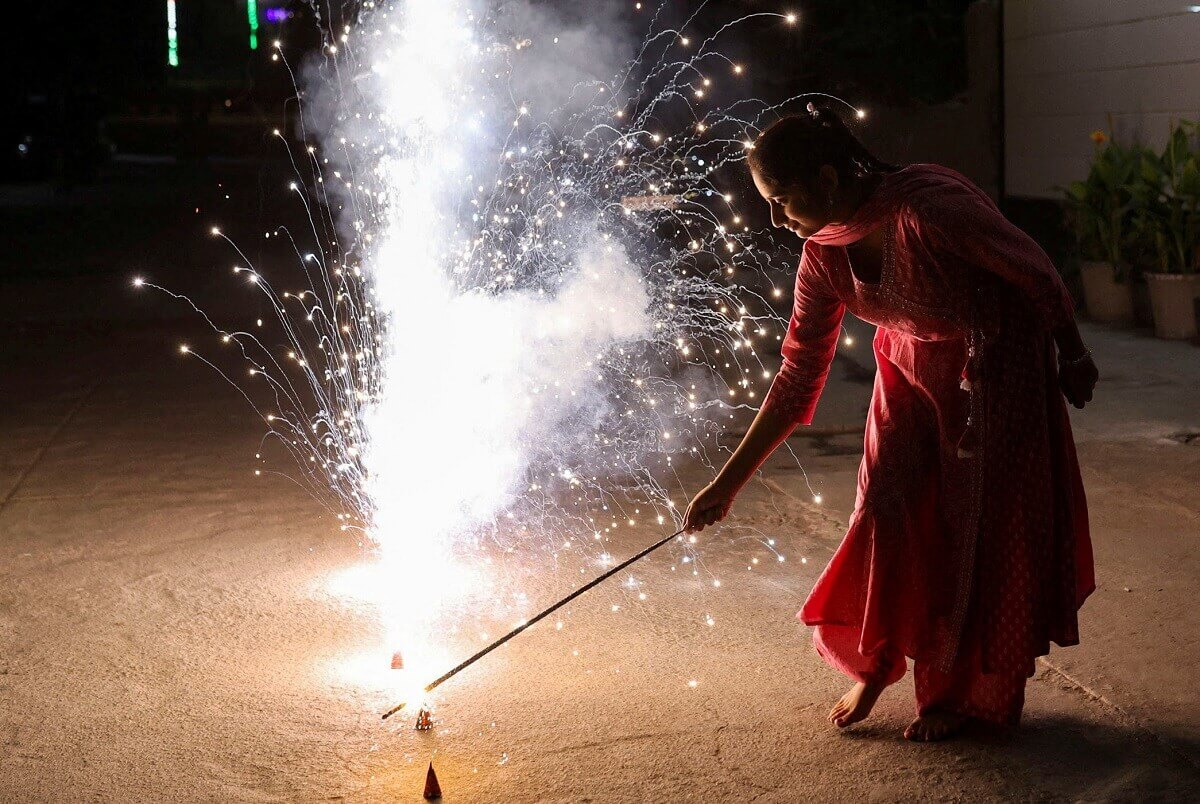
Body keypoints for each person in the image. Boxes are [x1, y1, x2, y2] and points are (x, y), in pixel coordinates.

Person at [683, 106, 1097, 742]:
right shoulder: (822, 255)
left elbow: (1034, 269)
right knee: (884, 504)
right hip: (906, 365)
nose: (776, 219)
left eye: (784, 200)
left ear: (827, 178)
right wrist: (727, 484)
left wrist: (1070, 351)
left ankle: (963, 696)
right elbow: (798, 374)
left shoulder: (927, 212)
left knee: (975, 525)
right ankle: (877, 662)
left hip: (992, 361)